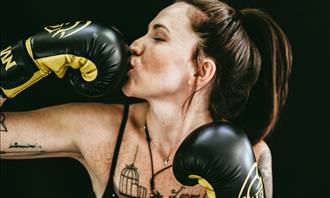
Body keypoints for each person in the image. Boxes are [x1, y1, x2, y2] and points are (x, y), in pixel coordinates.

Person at [0, 0, 292, 197]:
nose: (136, 45)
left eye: (159, 37)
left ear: (201, 70)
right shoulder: (99, 130)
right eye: (145, 33)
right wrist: (24, 58)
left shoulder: (250, 156)